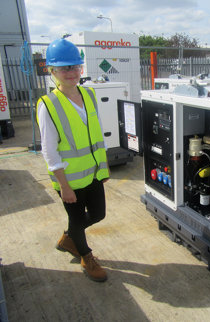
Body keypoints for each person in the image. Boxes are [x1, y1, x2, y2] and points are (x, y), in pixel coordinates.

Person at [36, 38, 110, 282]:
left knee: (98, 214)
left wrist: (103, 168)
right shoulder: (48, 104)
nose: (71, 72)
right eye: (64, 68)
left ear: (81, 68)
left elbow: (93, 136)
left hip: (93, 173)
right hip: (69, 179)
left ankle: (70, 237)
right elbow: (49, 151)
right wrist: (64, 186)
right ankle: (85, 255)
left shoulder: (89, 95)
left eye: (75, 66)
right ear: (52, 71)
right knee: (77, 218)